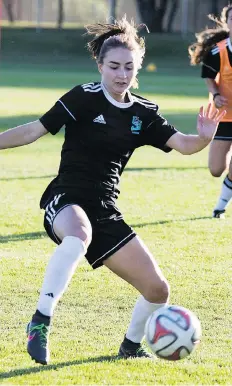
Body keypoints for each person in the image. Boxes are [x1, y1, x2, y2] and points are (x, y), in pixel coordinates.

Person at [1, 17, 225, 365]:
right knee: (78, 236)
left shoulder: (144, 112)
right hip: (66, 198)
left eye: (129, 67)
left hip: (104, 207)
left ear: (138, 68)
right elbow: (34, 130)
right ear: (100, 65)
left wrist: (205, 137)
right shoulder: (83, 98)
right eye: (114, 67)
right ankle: (40, 321)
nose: (122, 75)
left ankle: (131, 346)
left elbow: (184, 145)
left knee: (157, 290)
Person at [189, 4, 232, 218]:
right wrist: (215, 95)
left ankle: (219, 207)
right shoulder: (218, 50)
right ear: (227, 22)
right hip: (224, 115)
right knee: (216, 169)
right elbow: (208, 77)